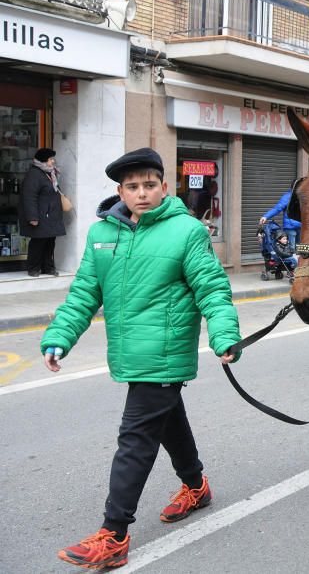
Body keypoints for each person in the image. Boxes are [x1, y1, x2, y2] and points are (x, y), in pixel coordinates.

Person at [41, 148, 241, 569]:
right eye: (132, 187)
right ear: (121, 191)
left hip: (164, 354)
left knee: (135, 439)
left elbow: (212, 289)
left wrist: (225, 336)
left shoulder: (187, 231)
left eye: (150, 185)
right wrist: (59, 338)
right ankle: (196, 485)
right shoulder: (102, 235)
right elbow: (83, 295)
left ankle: (114, 534)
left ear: (165, 188)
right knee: (168, 420)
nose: (142, 193)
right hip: (132, 356)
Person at [19, 147, 66, 277]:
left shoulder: (49, 173)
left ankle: (48, 268)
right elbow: (29, 197)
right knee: (38, 242)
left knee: (50, 242)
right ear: (43, 161)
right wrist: (32, 217)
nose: (53, 161)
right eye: (51, 159)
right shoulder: (34, 174)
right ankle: (33, 268)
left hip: (51, 215)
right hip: (40, 215)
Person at [259, 187, 301, 251]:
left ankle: (296, 260)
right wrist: (266, 216)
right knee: (291, 249)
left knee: (299, 249)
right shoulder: (287, 197)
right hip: (290, 227)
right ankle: (292, 260)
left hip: (301, 226)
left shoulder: (302, 196)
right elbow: (277, 208)